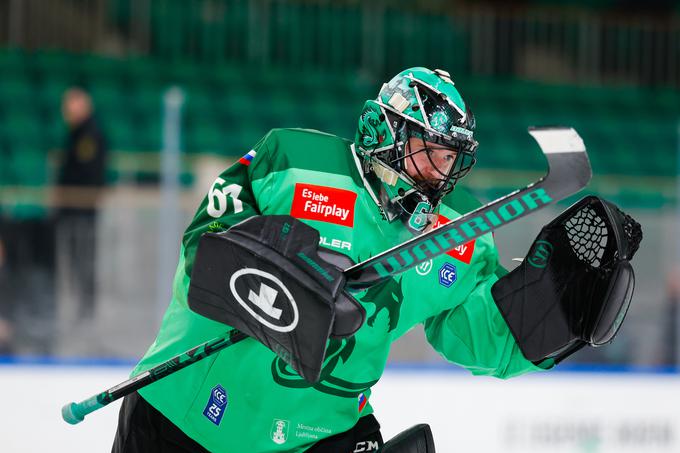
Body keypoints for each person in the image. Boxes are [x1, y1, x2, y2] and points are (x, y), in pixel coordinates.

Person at [111, 67, 631, 452]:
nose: (441, 174)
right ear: (385, 133)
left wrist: (552, 310)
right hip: (180, 416)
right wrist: (284, 276)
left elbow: (476, 336)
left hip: (315, 435)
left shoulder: (461, 231)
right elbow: (206, 245)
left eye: (451, 159)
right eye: (430, 151)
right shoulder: (291, 161)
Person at [55, 87, 108, 319]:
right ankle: (80, 306)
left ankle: (85, 309)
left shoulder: (90, 134)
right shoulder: (76, 133)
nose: (67, 110)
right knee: (76, 260)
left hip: (82, 209)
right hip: (72, 209)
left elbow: (87, 173)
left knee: (84, 259)